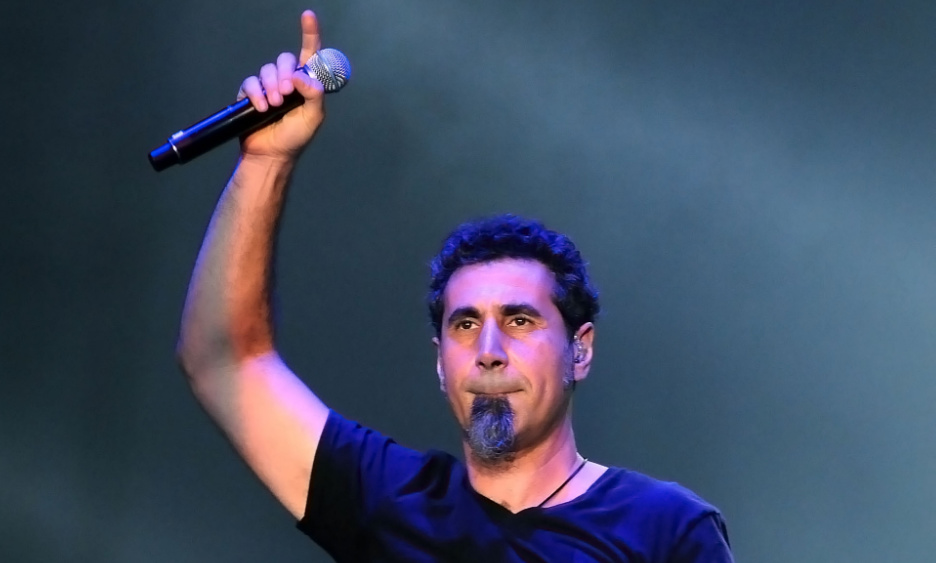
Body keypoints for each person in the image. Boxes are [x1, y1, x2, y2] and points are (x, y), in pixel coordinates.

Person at [177, 10, 734, 562]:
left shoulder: (666, 527)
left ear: (580, 349)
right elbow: (224, 362)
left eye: (519, 320)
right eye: (465, 325)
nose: (489, 351)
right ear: (440, 361)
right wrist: (266, 161)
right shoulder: (389, 500)